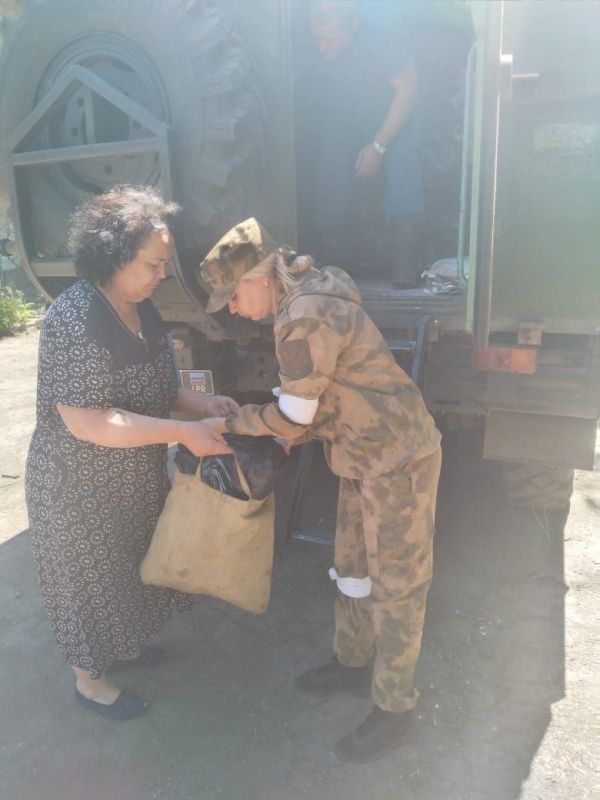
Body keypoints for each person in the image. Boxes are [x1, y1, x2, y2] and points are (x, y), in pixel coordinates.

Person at [198, 218, 442, 763]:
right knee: (353, 566)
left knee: (398, 583)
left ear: (263, 276)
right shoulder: (307, 292)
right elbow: (313, 404)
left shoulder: (303, 316)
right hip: (360, 452)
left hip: (396, 456)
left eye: (233, 294)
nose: (233, 308)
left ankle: (396, 709)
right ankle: (353, 664)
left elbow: (292, 416)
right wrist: (278, 423)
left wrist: (235, 422)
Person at [25, 186, 237, 720]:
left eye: (164, 263)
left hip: (132, 473)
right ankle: (89, 682)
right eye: (152, 263)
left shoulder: (145, 309)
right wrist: (183, 432)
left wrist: (200, 403)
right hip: (77, 484)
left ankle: (124, 650)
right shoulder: (74, 321)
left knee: (129, 568)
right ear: (114, 256)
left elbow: (158, 387)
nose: (160, 274)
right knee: (88, 582)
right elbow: (90, 421)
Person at [295, 0, 424, 284]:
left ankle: (405, 257)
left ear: (353, 25)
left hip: (393, 110)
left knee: (403, 161)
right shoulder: (318, 34)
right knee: (329, 160)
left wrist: (378, 146)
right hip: (349, 109)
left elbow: (408, 91)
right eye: (317, 39)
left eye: (330, 40)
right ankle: (337, 256)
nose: (322, 48)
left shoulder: (382, 34)